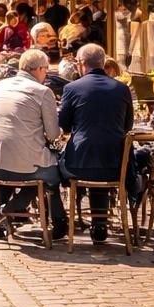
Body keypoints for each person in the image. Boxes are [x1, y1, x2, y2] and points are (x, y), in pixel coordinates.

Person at [0, 48, 68, 239]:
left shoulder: (0, 86)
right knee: (51, 177)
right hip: (27, 162)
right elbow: (53, 134)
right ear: (40, 69)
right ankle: (59, 224)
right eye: (46, 70)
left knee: (11, 175)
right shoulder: (43, 92)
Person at [58, 43, 134, 244]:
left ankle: (61, 221)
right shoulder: (122, 88)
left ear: (82, 64)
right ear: (102, 63)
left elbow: (62, 126)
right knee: (100, 158)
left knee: (51, 170)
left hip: (79, 166)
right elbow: (128, 126)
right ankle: (99, 224)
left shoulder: (71, 88)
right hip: (117, 166)